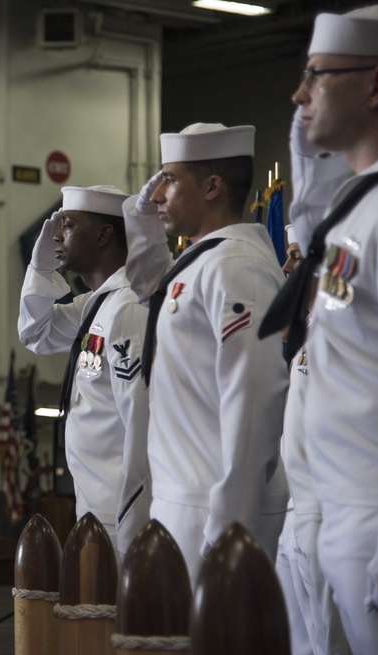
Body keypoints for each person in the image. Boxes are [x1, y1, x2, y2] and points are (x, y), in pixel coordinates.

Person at [274, 7, 378, 655]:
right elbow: (309, 222)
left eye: (316, 76)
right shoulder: (359, 206)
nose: (299, 95)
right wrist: (306, 141)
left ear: (376, 85)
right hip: (341, 525)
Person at [122, 122, 289, 583]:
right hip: (183, 508)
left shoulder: (238, 267)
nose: (157, 195)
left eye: (169, 180)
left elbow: (253, 401)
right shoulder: (201, 262)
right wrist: (140, 218)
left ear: (213, 186)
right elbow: (146, 284)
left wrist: (229, 528)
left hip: (215, 514)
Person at [17, 185, 150, 559]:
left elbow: (141, 423)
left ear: (104, 234)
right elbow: (35, 333)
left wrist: (133, 524)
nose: (58, 235)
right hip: (94, 507)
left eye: (69, 224)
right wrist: (39, 269)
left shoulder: (128, 308)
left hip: (120, 516)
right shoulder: (96, 305)